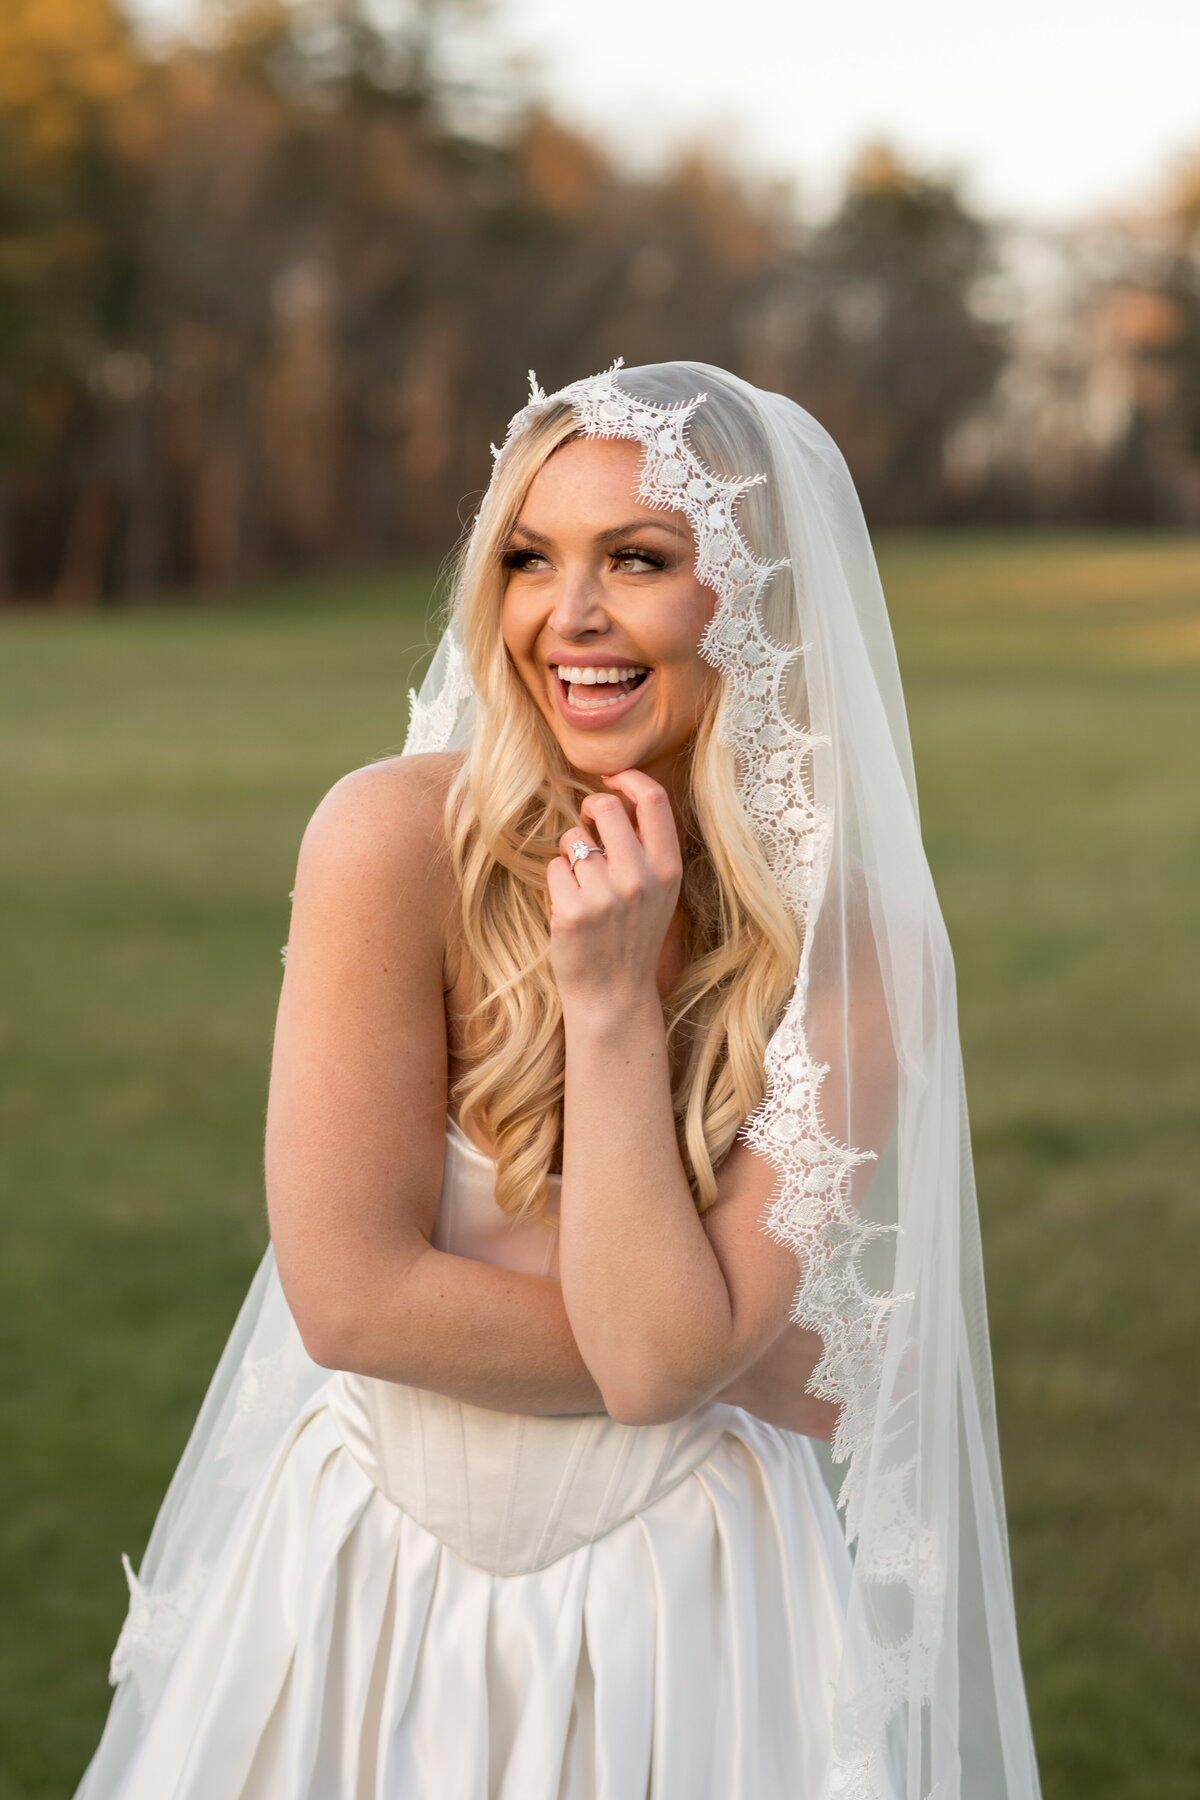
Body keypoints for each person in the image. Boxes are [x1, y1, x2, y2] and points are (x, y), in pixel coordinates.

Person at [76, 361, 1041, 1800]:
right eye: (531, 558)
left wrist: (604, 1004)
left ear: (760, 602)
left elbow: (660, 1368)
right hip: (367, 1574)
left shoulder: (858, 946)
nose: (565, 617)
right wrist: (745, 1353)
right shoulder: (391, 843)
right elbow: (349, 1297)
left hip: (691, 1598)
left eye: (638, 561)